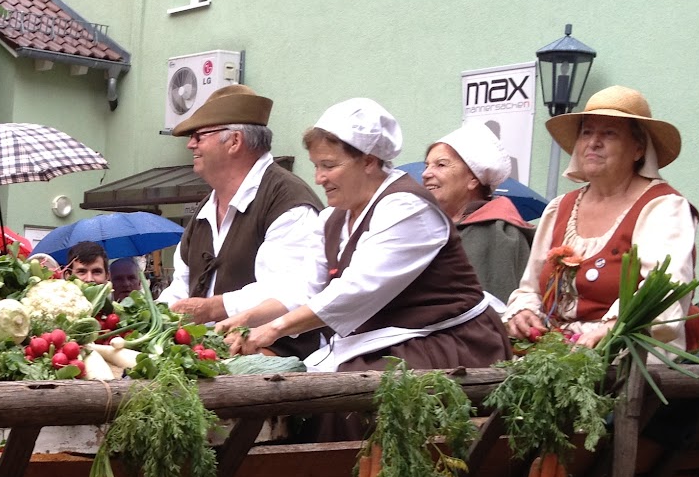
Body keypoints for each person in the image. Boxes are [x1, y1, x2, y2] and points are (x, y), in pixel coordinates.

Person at [218, 98, 508, 374]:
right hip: (388, 343)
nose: (319, 178)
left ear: (368, 161)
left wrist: (274, 329)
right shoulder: (332, 219)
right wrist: (245, 319)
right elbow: (307, 289)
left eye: (329, 165)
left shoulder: (407, 208)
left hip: (447, 343)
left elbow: (357, 290)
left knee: (342, 394)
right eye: (316, 166)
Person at [504, 86, 699, 351]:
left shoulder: (664, 207)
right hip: (551, 353)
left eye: (609, 133)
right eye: (587, 132)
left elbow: (666, 286)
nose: (593, 142)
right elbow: (531, 287)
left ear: (638, 149)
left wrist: (614, 327)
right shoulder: (559, 208)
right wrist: (524, 311)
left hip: (627, 355)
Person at [158, 84, 324, 356]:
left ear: (234, 141)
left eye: (199, 136)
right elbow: (180, 289)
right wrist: (152, 317)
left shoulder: (288, 203)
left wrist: (214, 307)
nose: (191, 144)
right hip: (208, 358)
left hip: (278, 362)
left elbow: (290, 293)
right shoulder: (204, 211)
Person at [420, 123, 534, 306]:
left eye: (441, 165)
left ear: (473, 179)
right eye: (427, 166)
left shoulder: (499, 233)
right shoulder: (426, 226)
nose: (426, 174)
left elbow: (499, 308)